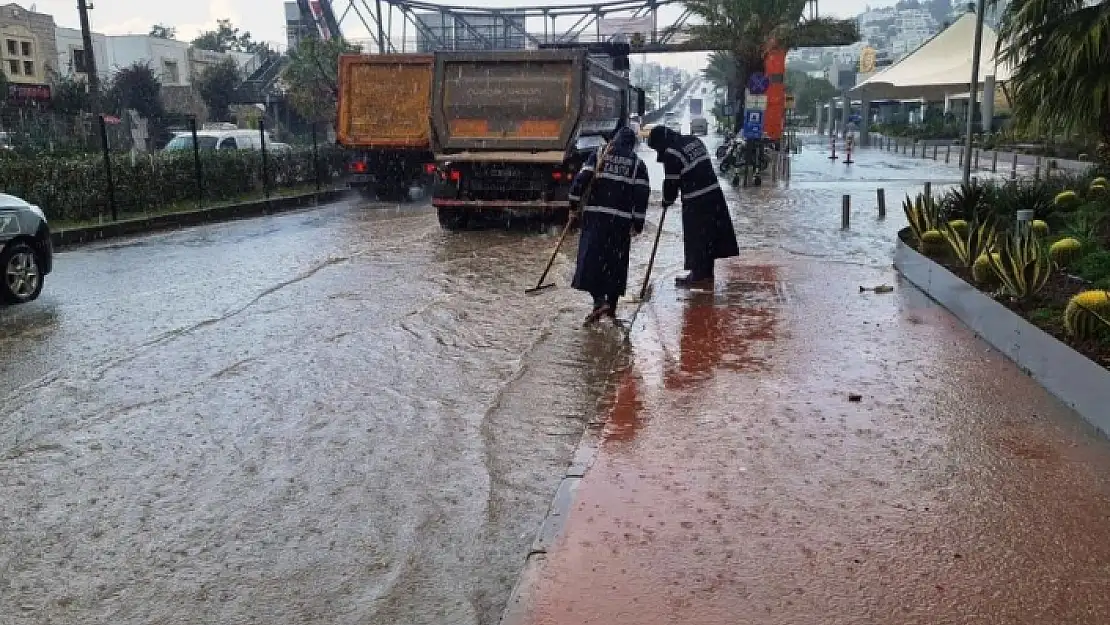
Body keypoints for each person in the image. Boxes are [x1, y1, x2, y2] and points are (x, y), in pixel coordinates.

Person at [568, 126, 650, 324]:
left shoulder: (599, 154)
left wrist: (573, 204)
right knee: (615, 265)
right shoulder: (637, 163)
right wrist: (637, 223)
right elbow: (641, 195)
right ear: (632, 145)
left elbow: (581, 180)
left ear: (614, 140)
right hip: (620, 223)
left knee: (590, 263)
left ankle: (599, 302)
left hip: (596, 219)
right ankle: (610, 307)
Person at [647, 124, 739, 288]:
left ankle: (697, 276)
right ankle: (706, 274)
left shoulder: (672, 153)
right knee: (709, 238)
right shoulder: (693, 140)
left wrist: (667, 200)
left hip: (696, 200)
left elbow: (671, 183)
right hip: (714, 195)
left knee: (697, 239)